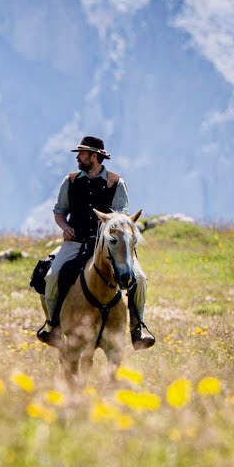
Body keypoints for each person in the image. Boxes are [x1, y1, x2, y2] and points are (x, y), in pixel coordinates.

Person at [37, 136, 155, 349]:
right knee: (52, 275)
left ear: (94, 156)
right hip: (76, 241)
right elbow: (59, 212)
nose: (78, 158)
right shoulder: (70, 181)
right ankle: (53, 325)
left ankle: (137, 329)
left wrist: (108, 227)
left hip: (110, 244)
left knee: (140, 278)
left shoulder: (116, 182)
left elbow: (120, 218)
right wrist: (65, 228)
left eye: (82, 154)